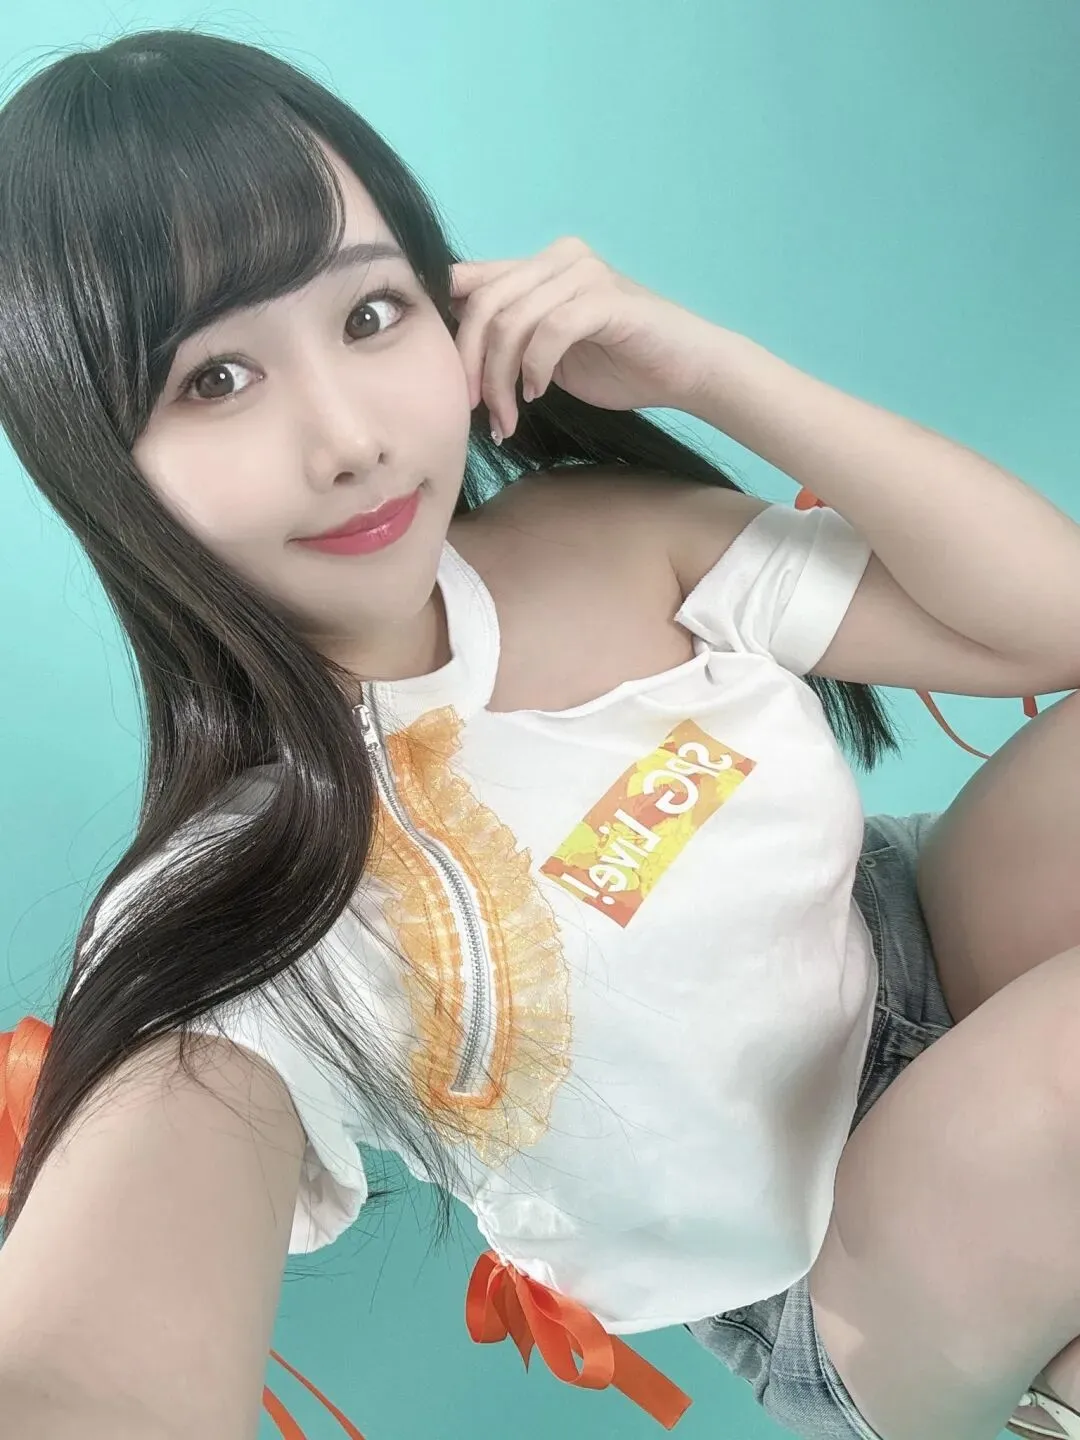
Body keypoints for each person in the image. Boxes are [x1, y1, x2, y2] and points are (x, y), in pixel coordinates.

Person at [0, 26, 1078, 1440]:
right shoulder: (238, 894)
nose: (349, 438)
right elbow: (84, 1364)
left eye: (368, 314)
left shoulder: (598, 539)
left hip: (919, 951)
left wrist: (711, 369)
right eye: (213, 379)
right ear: (96, 460)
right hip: (836, 1280)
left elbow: (1052, 626)